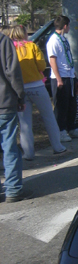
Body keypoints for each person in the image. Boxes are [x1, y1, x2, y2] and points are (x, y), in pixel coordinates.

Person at [4, 25, 66, 159]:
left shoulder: (10, 49)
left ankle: (28, 153)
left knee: (24, 123)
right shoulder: (32, 46)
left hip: (19, 89)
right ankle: (57, 146)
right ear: (24, 34)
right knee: (48, 116)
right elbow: (42, 65)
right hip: (37, 86)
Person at [46, 15, 78, 141]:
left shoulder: (63, 39)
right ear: (65, 26)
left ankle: (73, 128)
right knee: (61, 105)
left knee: (72, 103)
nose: (69, 28)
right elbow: (53, 60)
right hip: (60, 76)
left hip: (69, 75)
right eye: (68, 25)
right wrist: (58, 79)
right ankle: (60, 130)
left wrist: (73, 73)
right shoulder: (53, 40)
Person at [0, 31, 28, 203]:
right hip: (4, 101)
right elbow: (12, 71)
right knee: (9, 146)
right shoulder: (3, 40)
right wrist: (20, 95)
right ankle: (13, 189)